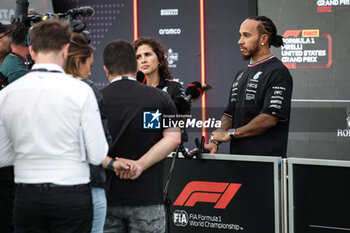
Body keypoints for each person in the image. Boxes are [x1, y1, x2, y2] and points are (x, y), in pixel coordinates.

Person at [0, 19, 112, 233]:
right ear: (65, 49)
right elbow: (97, 154)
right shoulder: (82, 91)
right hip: (72, 192)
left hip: (26, 194)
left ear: (31, 51)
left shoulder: (7, 94)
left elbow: (2, 156)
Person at [101, 40, 181, 233]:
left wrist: (112, 163)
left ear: (105, 69)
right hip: (147, 198)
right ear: (135, 66)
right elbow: (173, 138)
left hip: (107, 199)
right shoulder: (161, 98)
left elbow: (86, 146)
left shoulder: (95, 98)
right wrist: (140, 165)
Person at [205, 16, 293, 158]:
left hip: (265, 164)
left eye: (246, 35)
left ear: (263, 39)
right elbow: (229, 114)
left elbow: (269, 118)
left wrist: (231, 134)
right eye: (240, 35)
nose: (240, 41)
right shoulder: (241, 74)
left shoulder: (278, 71)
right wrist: (215, 140)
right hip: (238, 161)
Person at [64, 32, 112, 233]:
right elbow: (101, 143)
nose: (91, 73)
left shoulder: (40, 88)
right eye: (89, 66)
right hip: (88, 185)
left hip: (48, 187)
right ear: (77, 61)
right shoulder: (88, 89)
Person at [133, 37, 185, 101]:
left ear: (159, 59)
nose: (143, 60)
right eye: (138, 57)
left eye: (147, 55)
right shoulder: (131, 90)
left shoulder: (174, 87)